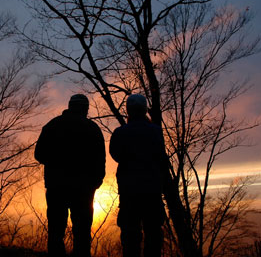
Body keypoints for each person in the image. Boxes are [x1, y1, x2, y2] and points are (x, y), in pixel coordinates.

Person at [35, 94, 106, 257]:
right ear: (85, 109)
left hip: (56, 186)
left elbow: (39, 154)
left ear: (69, 106)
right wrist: (96, 182)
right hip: (84, 189)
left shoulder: (52, 125)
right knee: (82, 232)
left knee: (56, 230)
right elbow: (100, 160)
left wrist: (55, 163)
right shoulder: (92, 128)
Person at [109, 94, 166, 257]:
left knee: (130, 237)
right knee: (153, 235)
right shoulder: (156, 131)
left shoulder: (120, 132)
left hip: (129, 192)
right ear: (145, 109)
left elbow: (115, 154)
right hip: (152, 190)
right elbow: (161, 157)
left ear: (128, 110)